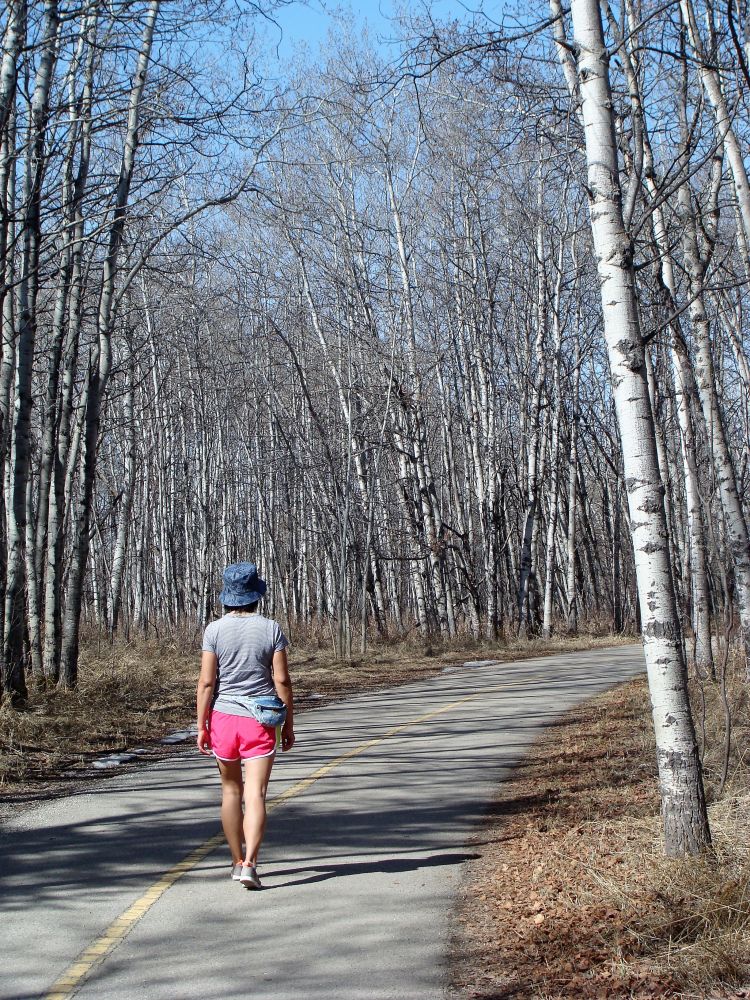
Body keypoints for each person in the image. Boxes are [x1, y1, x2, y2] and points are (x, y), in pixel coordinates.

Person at [196, 561, 294, 889]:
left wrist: (202, 725)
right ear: (255, 595)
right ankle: (251, 863)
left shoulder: (213, 631)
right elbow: (282, 680)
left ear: (228, 596)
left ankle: (236, 860)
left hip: (223, 719)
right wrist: (288, 724)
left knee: (230, 791)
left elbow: (206, 683)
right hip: (260, 721)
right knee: (256, 794)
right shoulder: (271, 629)